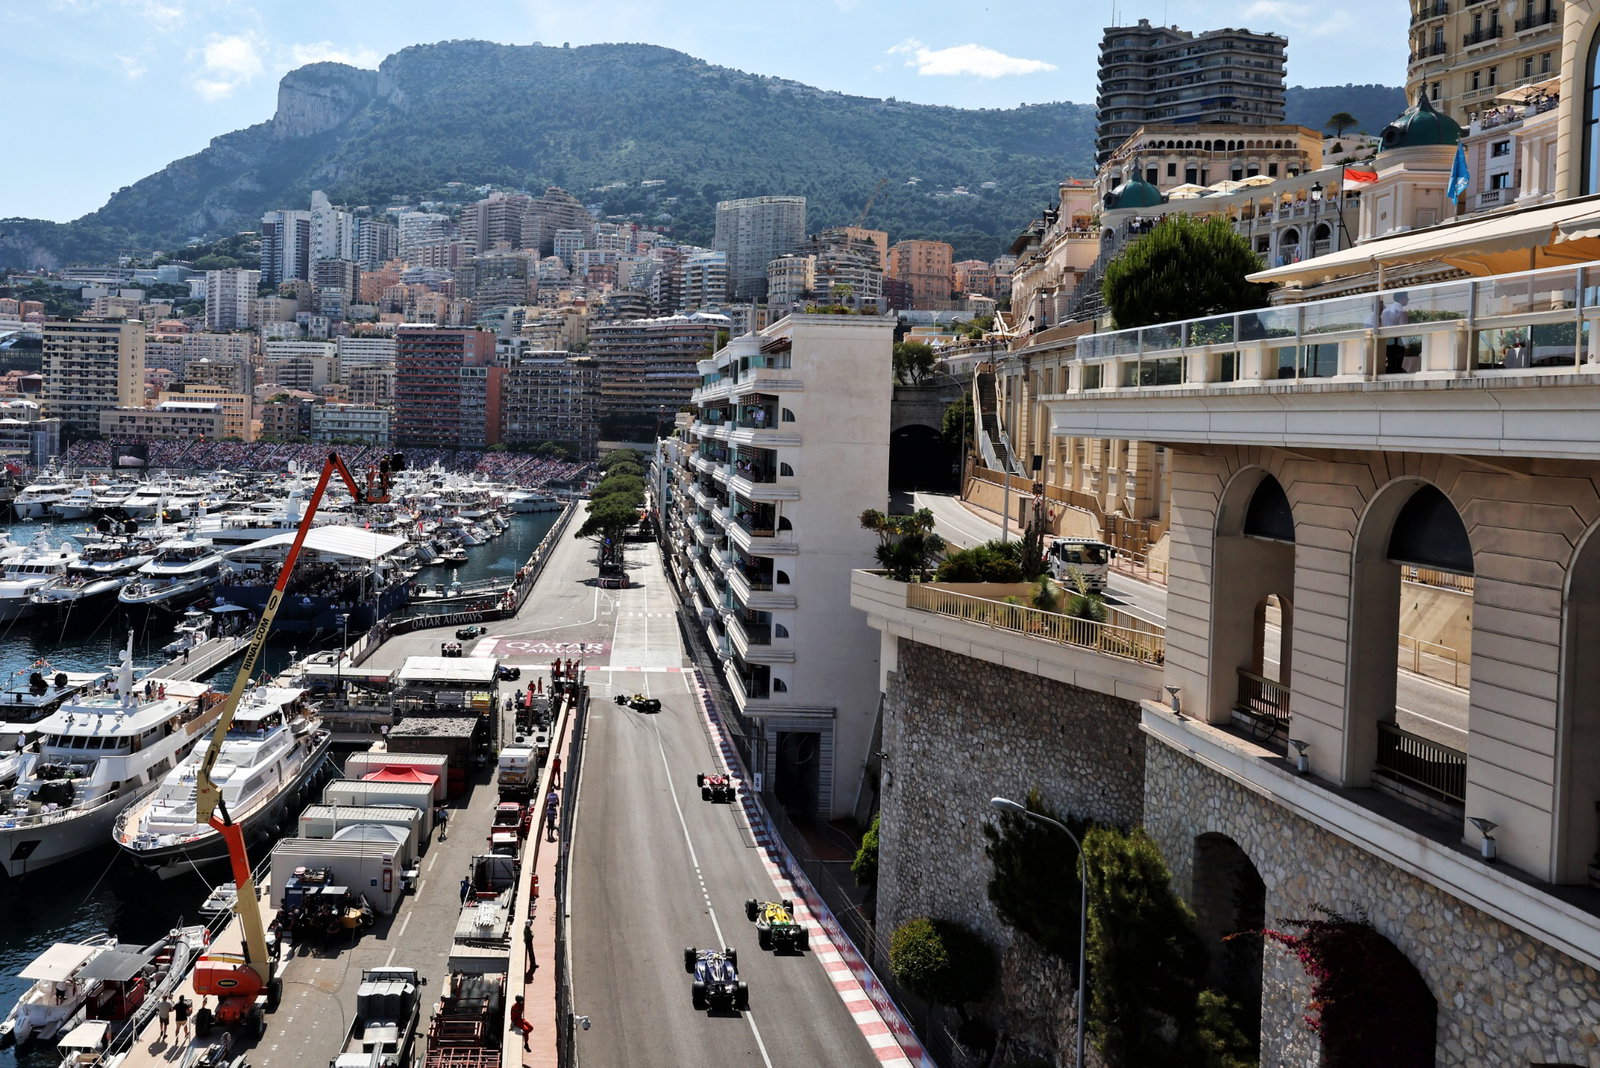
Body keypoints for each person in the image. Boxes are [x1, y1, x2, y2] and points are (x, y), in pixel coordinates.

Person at [1381, 291, 1410, 374]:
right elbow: (1403, 330)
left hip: (1385, 340)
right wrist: (1407, 345)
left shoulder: (1385, 311)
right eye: (1406, 298)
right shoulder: (1401, 311)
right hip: (1397, 341)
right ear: (1402, 298)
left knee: (1390, 362)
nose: (1408, 300)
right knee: (1396, 364)